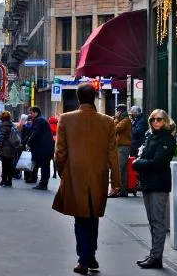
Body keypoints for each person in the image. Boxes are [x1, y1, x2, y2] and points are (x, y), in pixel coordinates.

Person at [53, 82, 121, 275]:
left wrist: (62, 173)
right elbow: (112, 155)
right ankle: (89, 256)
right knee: (92, 217)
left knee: (80, 218)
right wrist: (116, 182)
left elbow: (59, 152)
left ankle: (84, 258)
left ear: (78, 97)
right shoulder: (108, 121)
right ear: (94, 97)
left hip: (75, 175)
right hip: (98, 175)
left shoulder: (65, 119)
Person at [132, 109, 177, 269]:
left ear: (165, 121)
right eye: (153, 120)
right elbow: (146, 157)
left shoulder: (167, 139)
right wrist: (141, 162)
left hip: (159, 184)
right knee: (152, 220)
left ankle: (156, 256)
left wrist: (138, 164)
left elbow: (157, 162)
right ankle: (154, 253)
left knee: (158, 221)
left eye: (159, 119)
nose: (155, 122)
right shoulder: (151, 136)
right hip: (147, 182)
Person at [27, 106, 55, 190]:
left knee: (44, 166)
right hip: (45, 147)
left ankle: (43, 184)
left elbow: (35, 133)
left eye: (31, 113)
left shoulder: (39, 120)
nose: (30, 114)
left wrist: (29, 142)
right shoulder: (40, 119)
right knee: (43, 165)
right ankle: (39, 181)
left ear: (36, 112)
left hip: (44, 147)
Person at [109, 103, 131, 197]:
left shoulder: (125, 120)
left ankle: (117, 190)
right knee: (123, 170)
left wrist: (116, 119)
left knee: (118, 169)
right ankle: (123, 190)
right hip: (122, 146)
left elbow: (114, 129)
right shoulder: (125, 119)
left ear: (120, 111)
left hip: (123, 147)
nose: (116, 112)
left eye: (117, 110)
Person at [0, 110, 18, 187]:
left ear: (2, 118)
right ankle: (9, 181)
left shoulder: (4, 126)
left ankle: (4, 181)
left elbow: (2, 138)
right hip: (12, 148)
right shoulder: (12, 125)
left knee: (5, 165)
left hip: (5, 148)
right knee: (10, 165)